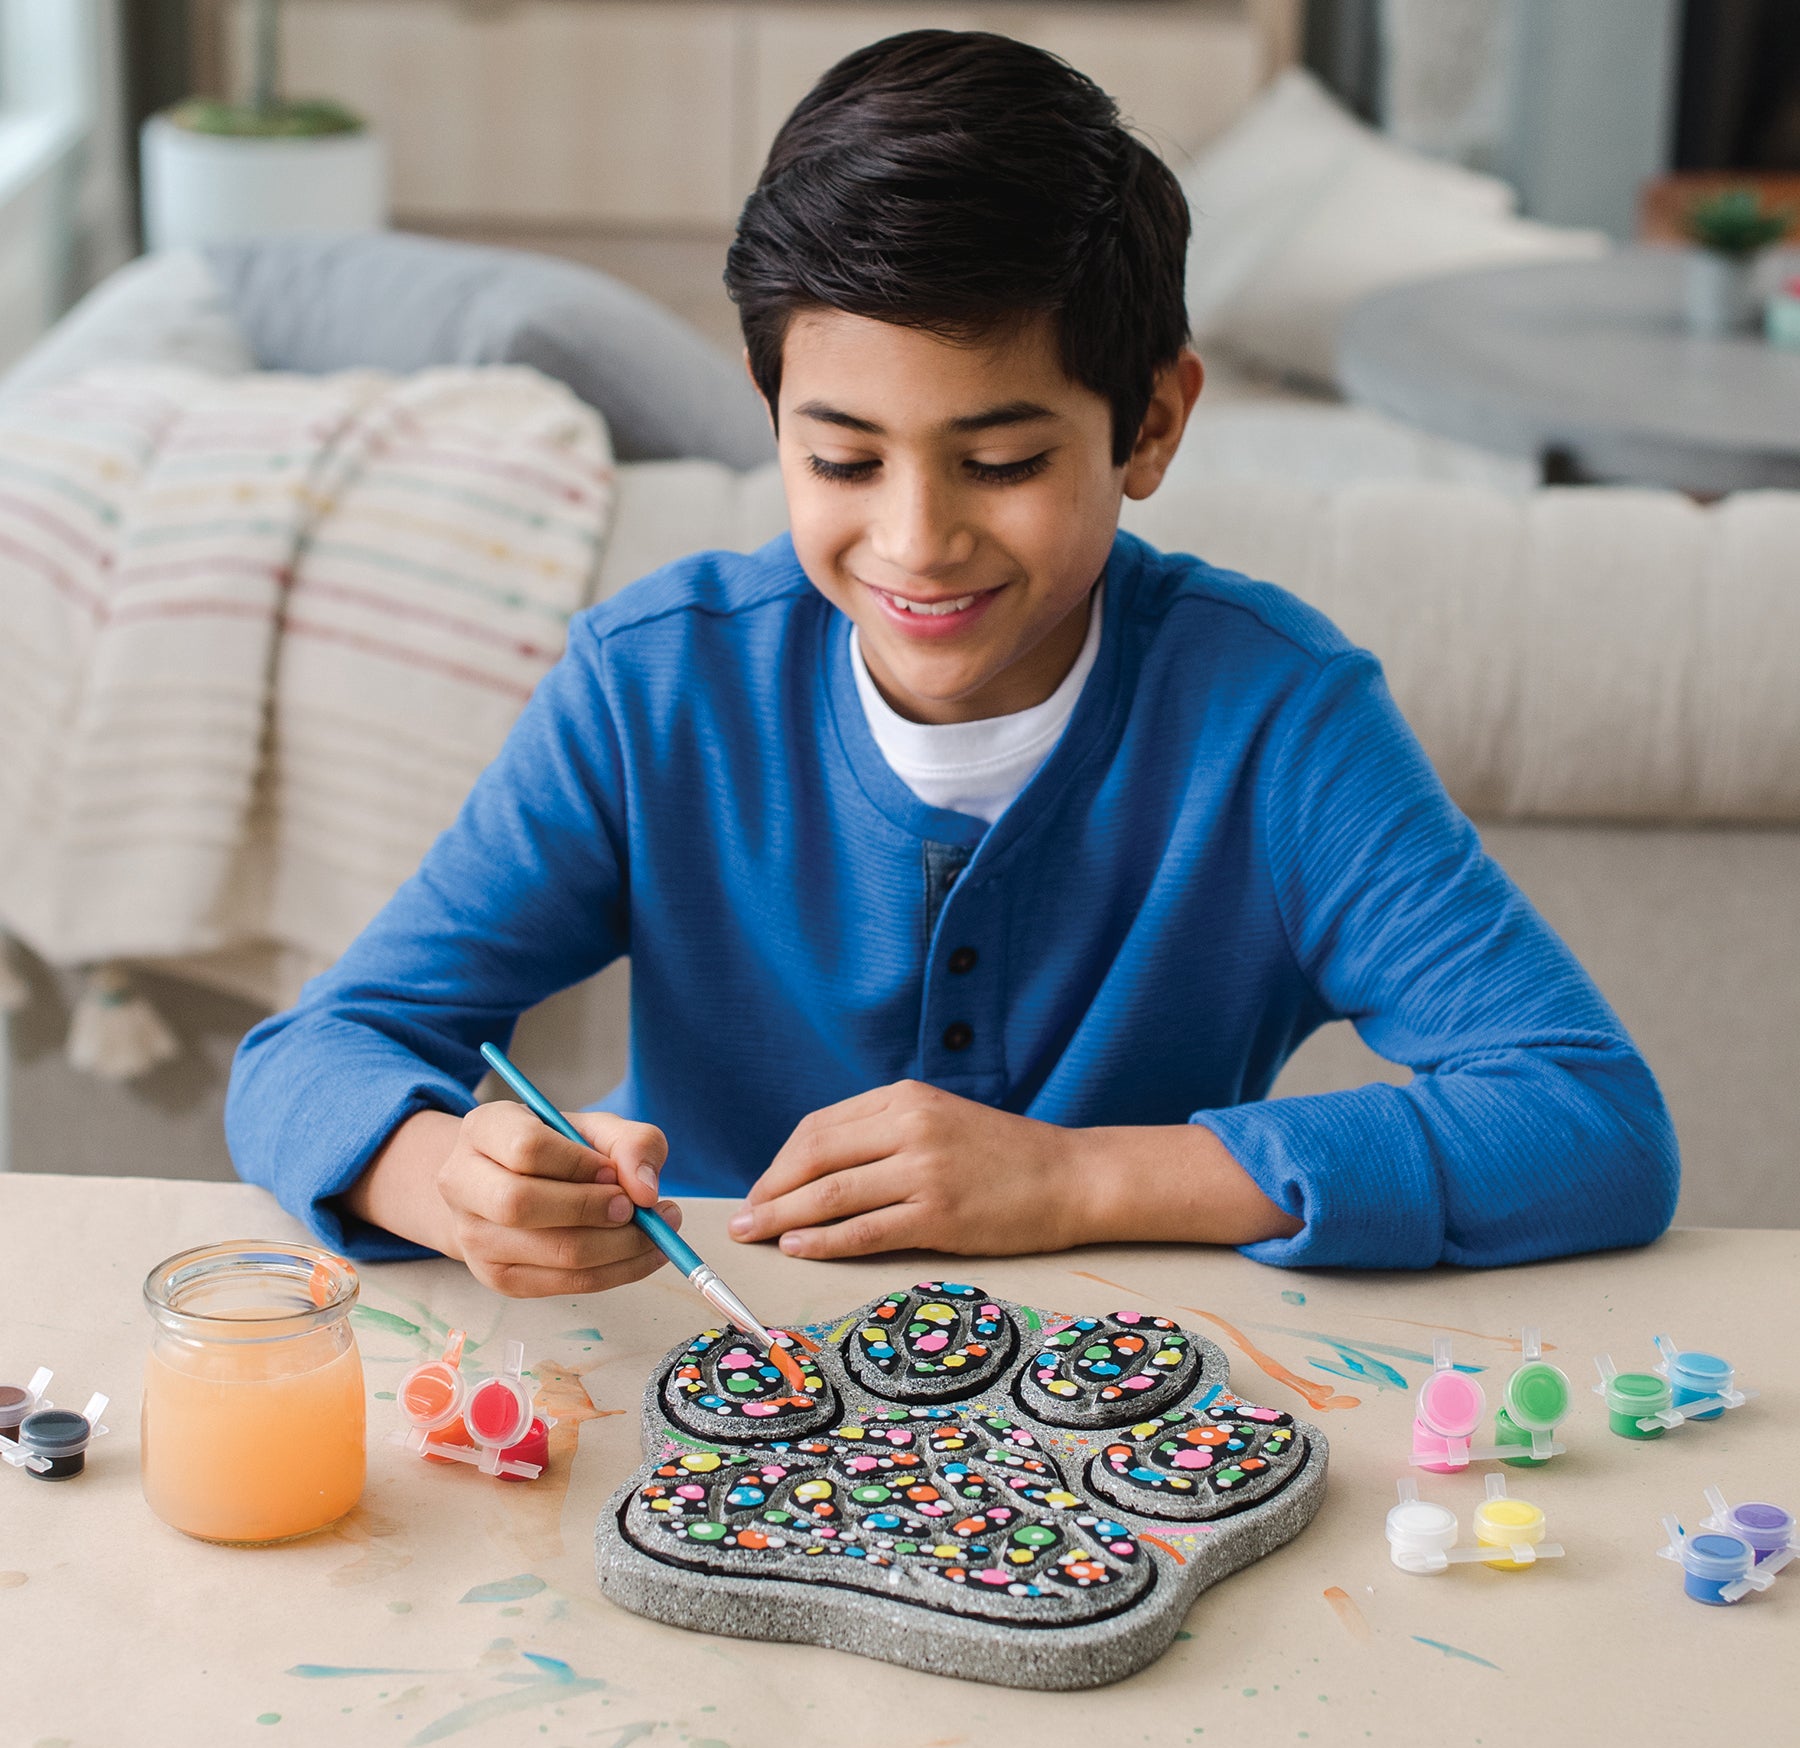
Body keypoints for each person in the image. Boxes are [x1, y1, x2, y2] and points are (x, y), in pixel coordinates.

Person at [226, 31, 1678, 1295]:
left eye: (1002, 459)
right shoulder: (655, 690)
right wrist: (448, 1185)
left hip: (1112, 1430)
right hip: (704, 1379)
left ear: (1153, 425)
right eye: (842, 458)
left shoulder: (1274, 720)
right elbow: (312, 1056)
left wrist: (1074, 1184)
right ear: (769, 411)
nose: (916, 543)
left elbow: (1589, 1124)